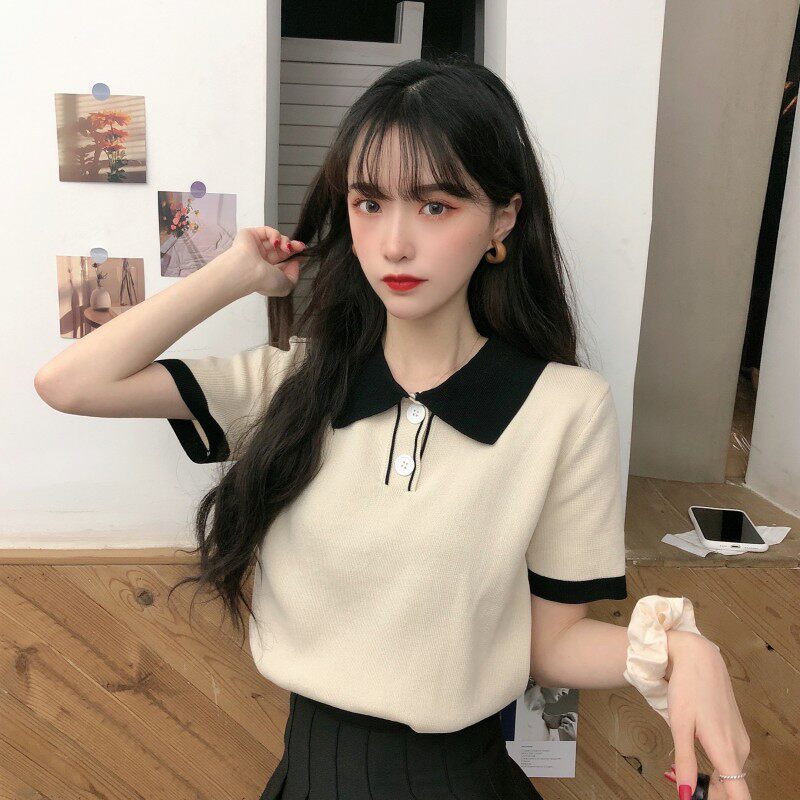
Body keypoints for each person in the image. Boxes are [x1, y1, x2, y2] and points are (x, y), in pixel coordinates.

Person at [35, 56, 750, 800]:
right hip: (307, 777)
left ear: (502, 219)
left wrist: (682, 653)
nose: (395, 244)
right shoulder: (292, 382)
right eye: (369, 203)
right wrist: (234, 273)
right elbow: (71, 384)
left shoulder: (565, 408)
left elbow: (554, 645)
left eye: (436, 206)